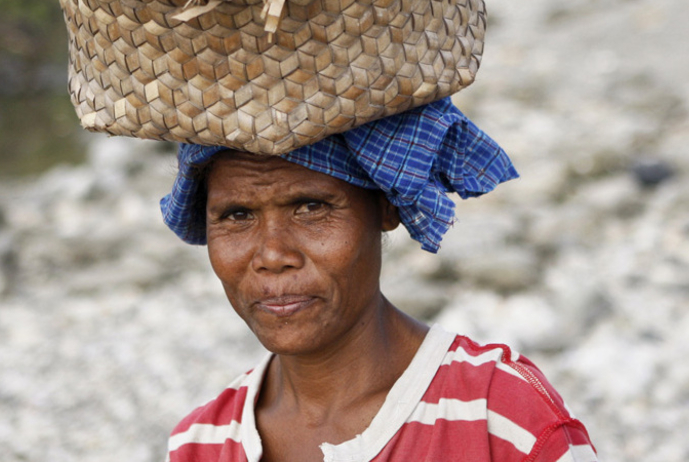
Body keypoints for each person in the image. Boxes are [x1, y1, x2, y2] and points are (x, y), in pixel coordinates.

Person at [159, 98, 597, 462]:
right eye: (237, 215)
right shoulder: (200, 445)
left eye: (311, 207)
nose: (273, 255)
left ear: (386, 206)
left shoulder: (500, 417)